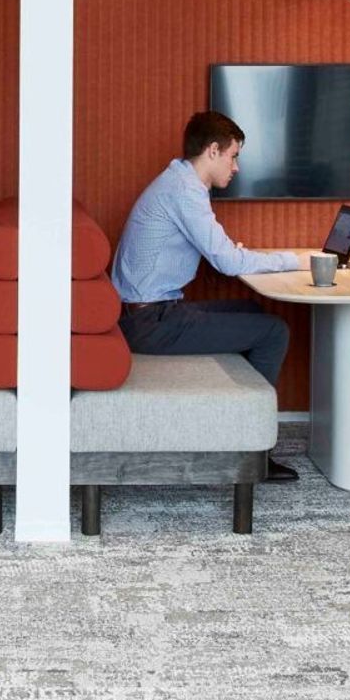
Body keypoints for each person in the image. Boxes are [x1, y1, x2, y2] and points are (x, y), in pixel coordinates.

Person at [110, 110, 301, 482]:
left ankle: (234, 425)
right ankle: (251, 449)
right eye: (234, 156)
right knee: (273, 331)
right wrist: (296, 260)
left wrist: (242, 254)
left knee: (250, 309)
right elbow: (227, 261)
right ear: (212, 151)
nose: (237, 168)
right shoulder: (184, 192)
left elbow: (220, 251)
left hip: (144, 312)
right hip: (149, 322)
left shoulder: (179, 182)